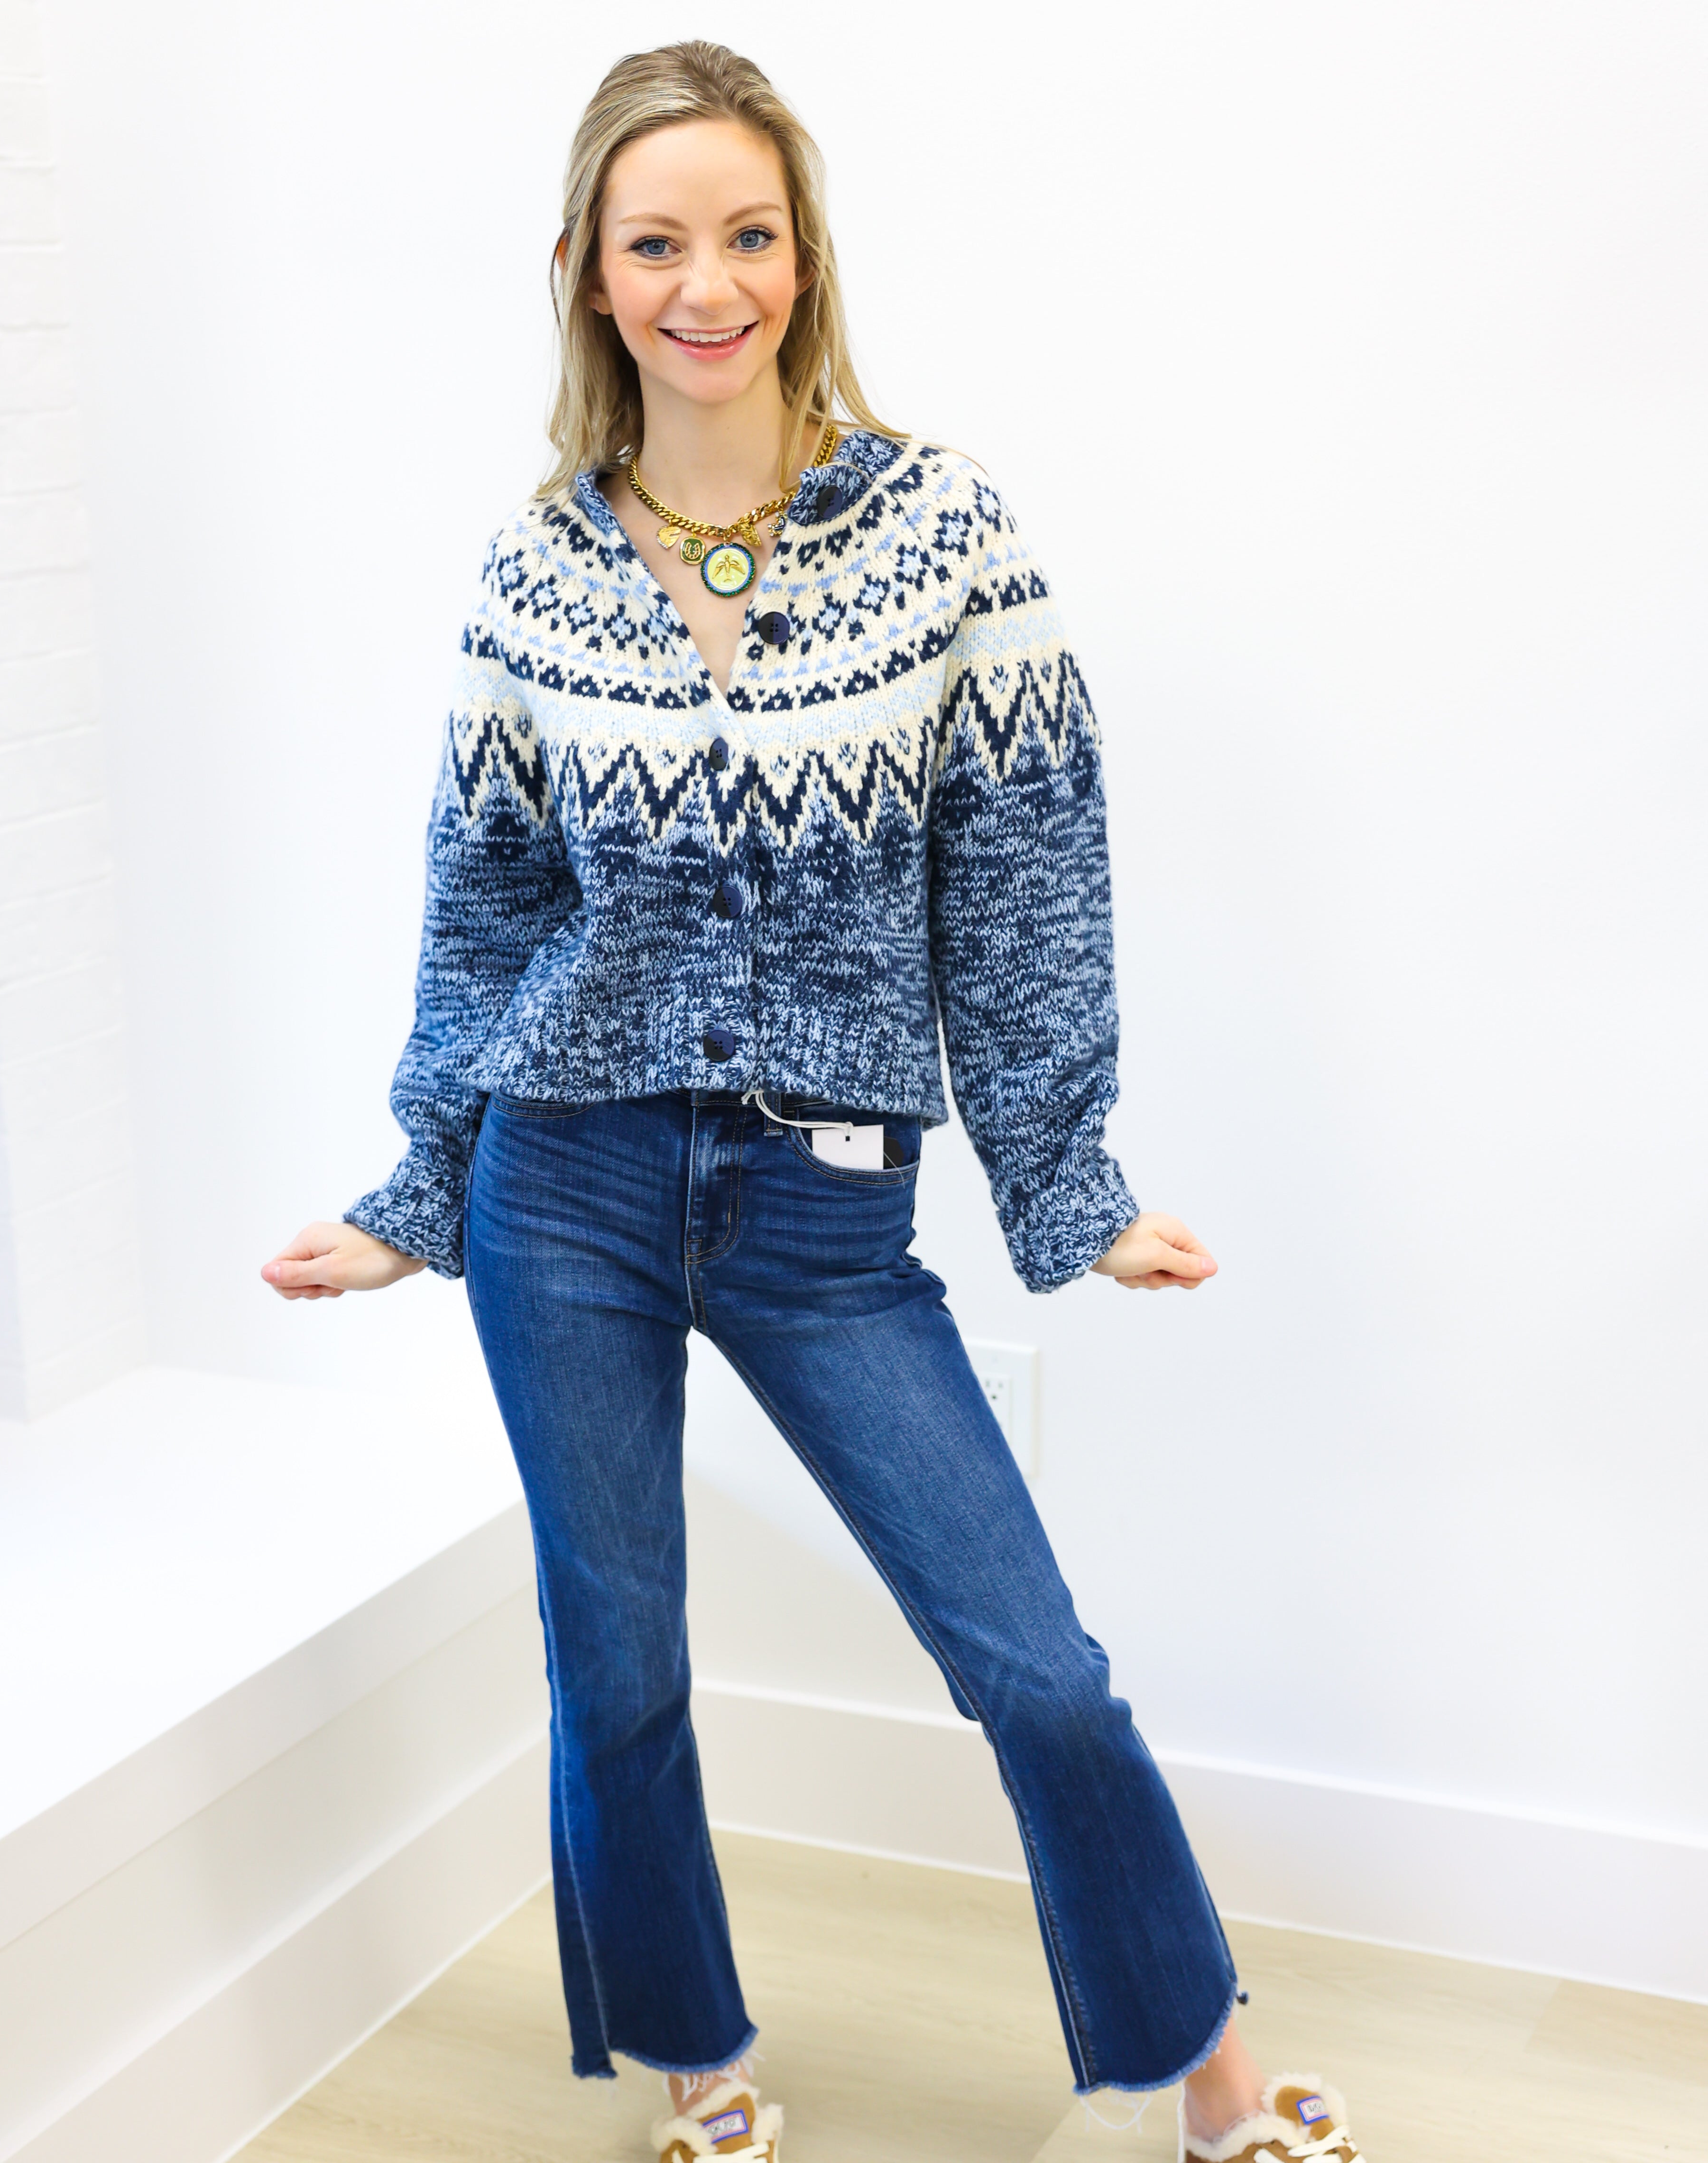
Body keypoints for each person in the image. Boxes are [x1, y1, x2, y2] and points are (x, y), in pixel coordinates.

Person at [263, 40, 1366, 2163]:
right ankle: (694, 2072)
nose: (710, 282)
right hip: (561, 1190)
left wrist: (1069, 1177)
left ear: (804, 256)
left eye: (749, 236)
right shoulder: (532, 570)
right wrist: (423, 1183)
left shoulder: (944, 530)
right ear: (587, 271)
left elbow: (1030, 879)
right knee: (625, 1668)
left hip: (825, 1209)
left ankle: (1213, 2084)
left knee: (1035, 1666)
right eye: (658, 240)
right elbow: (482, 919)